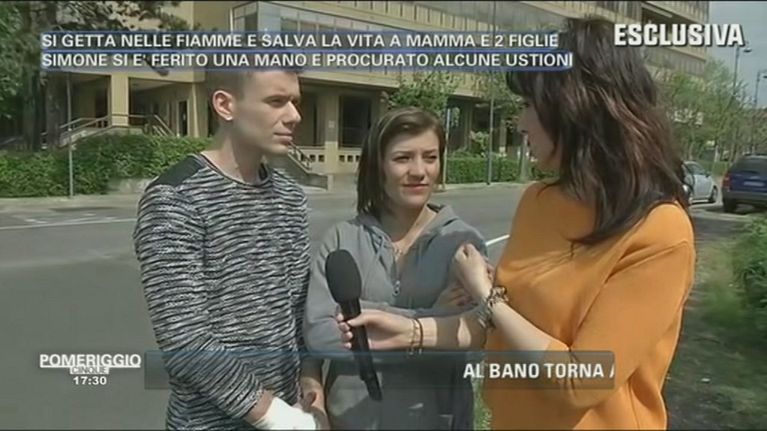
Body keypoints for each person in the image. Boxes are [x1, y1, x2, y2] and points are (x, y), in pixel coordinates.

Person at [336, 17, 696, 430]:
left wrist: (485, 294)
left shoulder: (660, 232)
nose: (520, 123)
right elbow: (503, 330)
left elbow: (582, 380)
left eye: (528, 105)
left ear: (574, 108)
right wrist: (409, 332)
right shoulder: (538, 202)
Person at [133, 66, 327, 430]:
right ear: (225, 105)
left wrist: (312, 386)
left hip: (293, 412)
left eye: (295, 102)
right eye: (276, 101)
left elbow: (301, 310)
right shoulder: (175, 198)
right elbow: (185, 341)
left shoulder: (289, 196)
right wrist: (278, 418)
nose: (294, 115)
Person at [303, 106, 488, 430]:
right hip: (351, 420)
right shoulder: (342, 239)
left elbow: (472, 344)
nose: (419, 171)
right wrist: (433, 319)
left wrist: (368, 316)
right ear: (378, 166)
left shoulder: (463, 244)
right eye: (403, 158)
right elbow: (320, 335)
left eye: (430, 157)